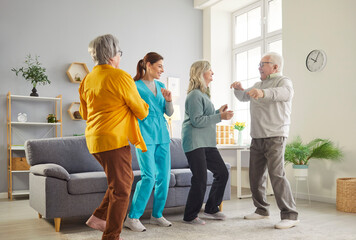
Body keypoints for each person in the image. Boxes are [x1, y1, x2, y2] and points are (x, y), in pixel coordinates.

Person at [79, 34, 149, 240]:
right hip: (113, 141)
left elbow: (84, 114)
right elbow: (141, 111)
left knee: (119, 184)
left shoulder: (87, 79)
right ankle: (111, 236)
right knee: (122, 190)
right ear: (111, 55)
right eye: (119, 53)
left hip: (94, 140)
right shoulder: (120, 77)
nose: (120, 57)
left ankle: (99, 217)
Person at [230, 52, 299, 229]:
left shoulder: (284, 81)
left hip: (275, 136)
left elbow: (283, 94)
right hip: (257, 136)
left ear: (275, 67)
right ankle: (261, 210)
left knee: (276, 175)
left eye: (263, 64)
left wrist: (262, 92)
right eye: (259, 64)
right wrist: (239, 89)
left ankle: (290, 215)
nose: (259, 67)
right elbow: (244, 97)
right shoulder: (257, 84)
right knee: (255, 176)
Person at [124, 52, 174, 232]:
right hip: (144, 136)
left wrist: (169, 100)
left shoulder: (161, 86)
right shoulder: (134, 86)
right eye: (159, 66)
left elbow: (169, 113)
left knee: (164, 177)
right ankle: (133, 217)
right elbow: (129, 111)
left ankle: (157, 214)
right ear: (148, 65)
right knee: (149, 176)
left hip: (162, 135)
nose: (162, 70)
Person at [182, 60, 233, 225]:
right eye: (210, 70)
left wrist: (219, 112)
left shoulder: (204, 94)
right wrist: (220, 117)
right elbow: (196, 121)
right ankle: (190, 215)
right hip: (195, 142)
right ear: (201, 73)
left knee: (222, 172)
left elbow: (205, 116)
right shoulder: (194, 95)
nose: (213, 73)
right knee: (200, 178)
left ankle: (211, 208)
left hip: (207, 142)